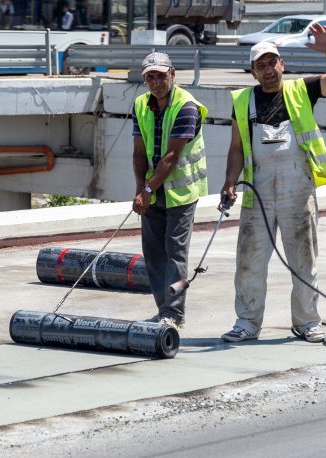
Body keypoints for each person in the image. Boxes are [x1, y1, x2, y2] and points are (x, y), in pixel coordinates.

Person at [220, 25, 326, 343]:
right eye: (261, 65)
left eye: (272, 62)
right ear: (253, 72)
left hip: (298, 189)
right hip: (258, 192)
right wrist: (229, 183)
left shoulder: (302, 90)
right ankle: (247, 323)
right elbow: (236, 147)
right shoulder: (243, 101)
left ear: (282, 64)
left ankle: (307, 322)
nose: (268, 70)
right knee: (249, 261)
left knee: (304, 259)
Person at [131, 52, 208, 330]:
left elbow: (171, 157)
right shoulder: (140, 104)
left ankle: (174, 314)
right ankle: (163, 310)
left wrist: (147, 189)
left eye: (161, 76)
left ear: (172, 75)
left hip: (181, 192)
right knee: (153, 253)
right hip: (152, 190)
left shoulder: (187, 107)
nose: (156, 82)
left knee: (175, 253)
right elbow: (139, 152)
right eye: (150, 77)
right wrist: (140, 189)